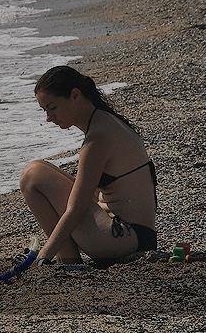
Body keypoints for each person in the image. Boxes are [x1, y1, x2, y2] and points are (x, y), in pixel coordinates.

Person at [20, 66, 157, 265]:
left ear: (75, 95)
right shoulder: (106, 121)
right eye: (45, 110)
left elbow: (76, 208)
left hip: (123, 238)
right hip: (138, 236)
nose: (48, 118)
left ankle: (68, 261)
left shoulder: (97, 138)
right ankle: (67, 260)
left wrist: (44, 255)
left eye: (52, 108)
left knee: (33, 175)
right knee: (40, 166)